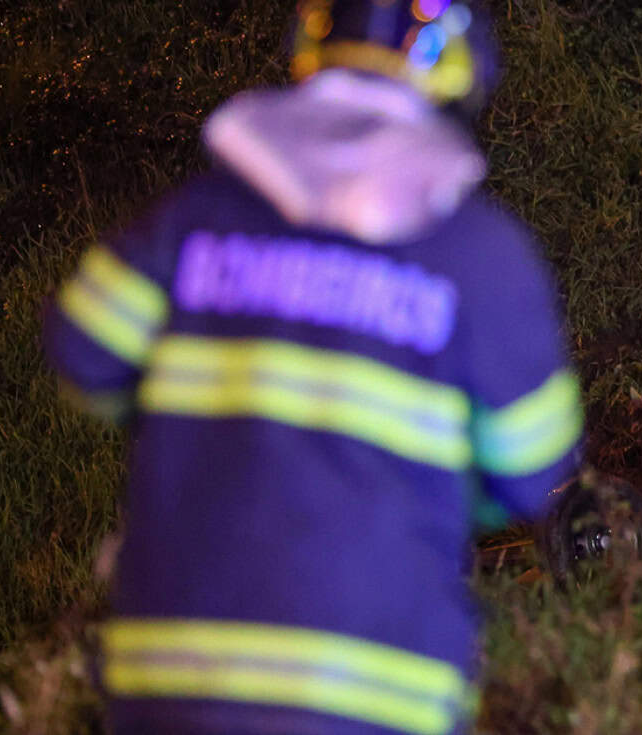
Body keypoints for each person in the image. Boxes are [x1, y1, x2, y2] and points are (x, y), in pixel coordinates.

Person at [42, 1, 581, 732]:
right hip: (376, 688)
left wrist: (195, 426)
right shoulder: (479, 257)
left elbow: (83, 352)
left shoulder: (196, 220)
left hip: (171, 677)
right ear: (458, 76)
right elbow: (537, 471)